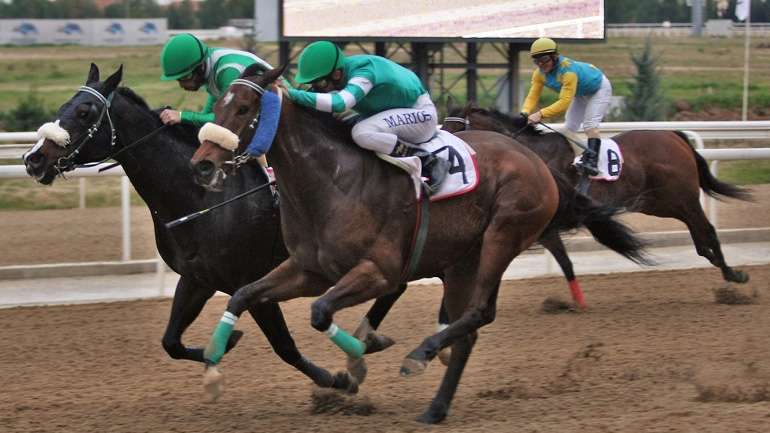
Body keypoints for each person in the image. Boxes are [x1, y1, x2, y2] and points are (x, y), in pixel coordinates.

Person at [278, 41, 451, 193]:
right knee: (340, 129)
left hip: (422, 117)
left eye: (321, 83)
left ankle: (429, 161)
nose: (318, 89)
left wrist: (294, 95)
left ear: (337, 74)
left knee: (361, 132)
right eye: (313, 84)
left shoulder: (363, 71)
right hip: (396, 114)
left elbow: (341, 103)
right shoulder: (344, 71)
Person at [159, 33, 275, 168]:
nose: (182, 85)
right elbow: (207, 117)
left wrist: (181, 116)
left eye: (185, 77)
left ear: (201, 67)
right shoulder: (210, 69)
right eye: (178, 80)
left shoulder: (227, 71)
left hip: (274, 114)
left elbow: (224, 119)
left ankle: (270, 177)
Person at [520, 37, 612, 176]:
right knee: (568, 128)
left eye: (544, 59)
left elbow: (563, 104)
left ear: (555, 56)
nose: (541, 64)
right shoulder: (539, 74)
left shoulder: (568, 72)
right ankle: (574, 157)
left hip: (598, 89)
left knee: (590, 125)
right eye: (537, 60)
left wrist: (540, 114)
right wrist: (525, 113)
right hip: (580, 92)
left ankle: (592, 162)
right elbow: (533, 95)